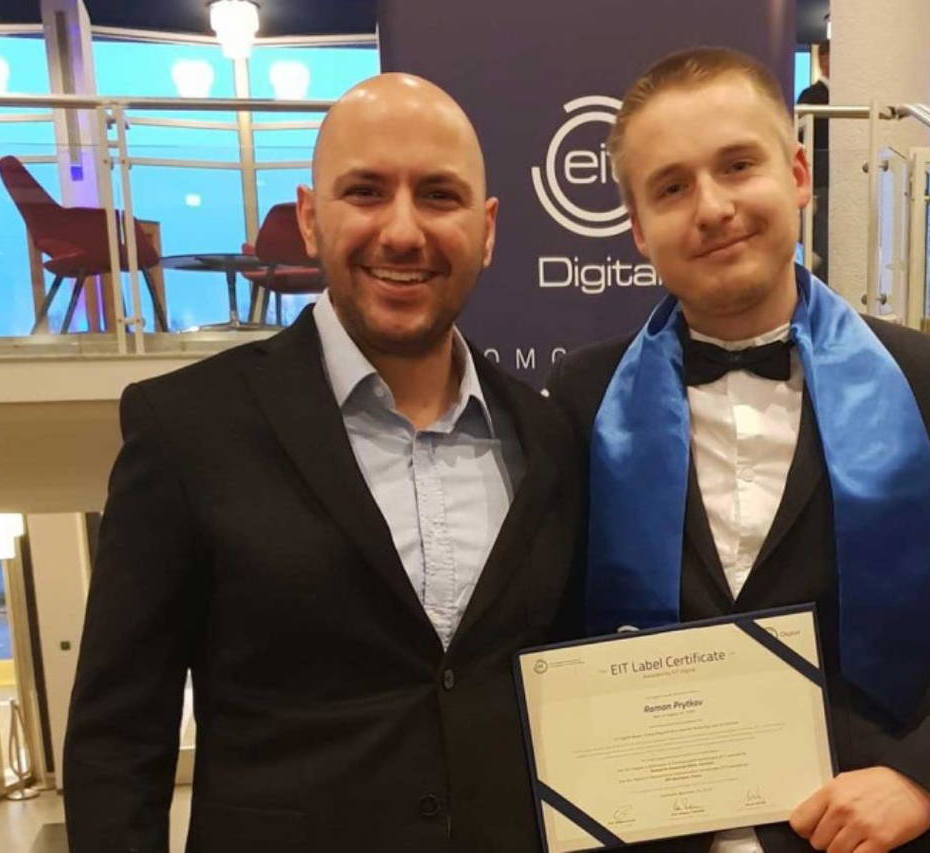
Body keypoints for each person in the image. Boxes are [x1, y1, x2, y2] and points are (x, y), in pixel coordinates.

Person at [547, 47, 930, 853]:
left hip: (863, 840)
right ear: (639, 228)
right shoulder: (583, 398)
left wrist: (926, 774)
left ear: (797, 174)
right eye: (671, 187)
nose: (712, 207)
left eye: (737, 165)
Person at [63, 73, 582, 851]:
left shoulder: (546, 436)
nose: (402, 231)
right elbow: (117, 740)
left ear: (487, 229)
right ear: (310, 219)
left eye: (439, 195)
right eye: (366, 192)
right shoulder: (185, 430)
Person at [795, 41, 829, 280]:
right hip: (819, 187)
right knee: (822, 251)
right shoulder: (811, 97)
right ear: (823, 60)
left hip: (836, 186)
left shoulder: (841, 97)